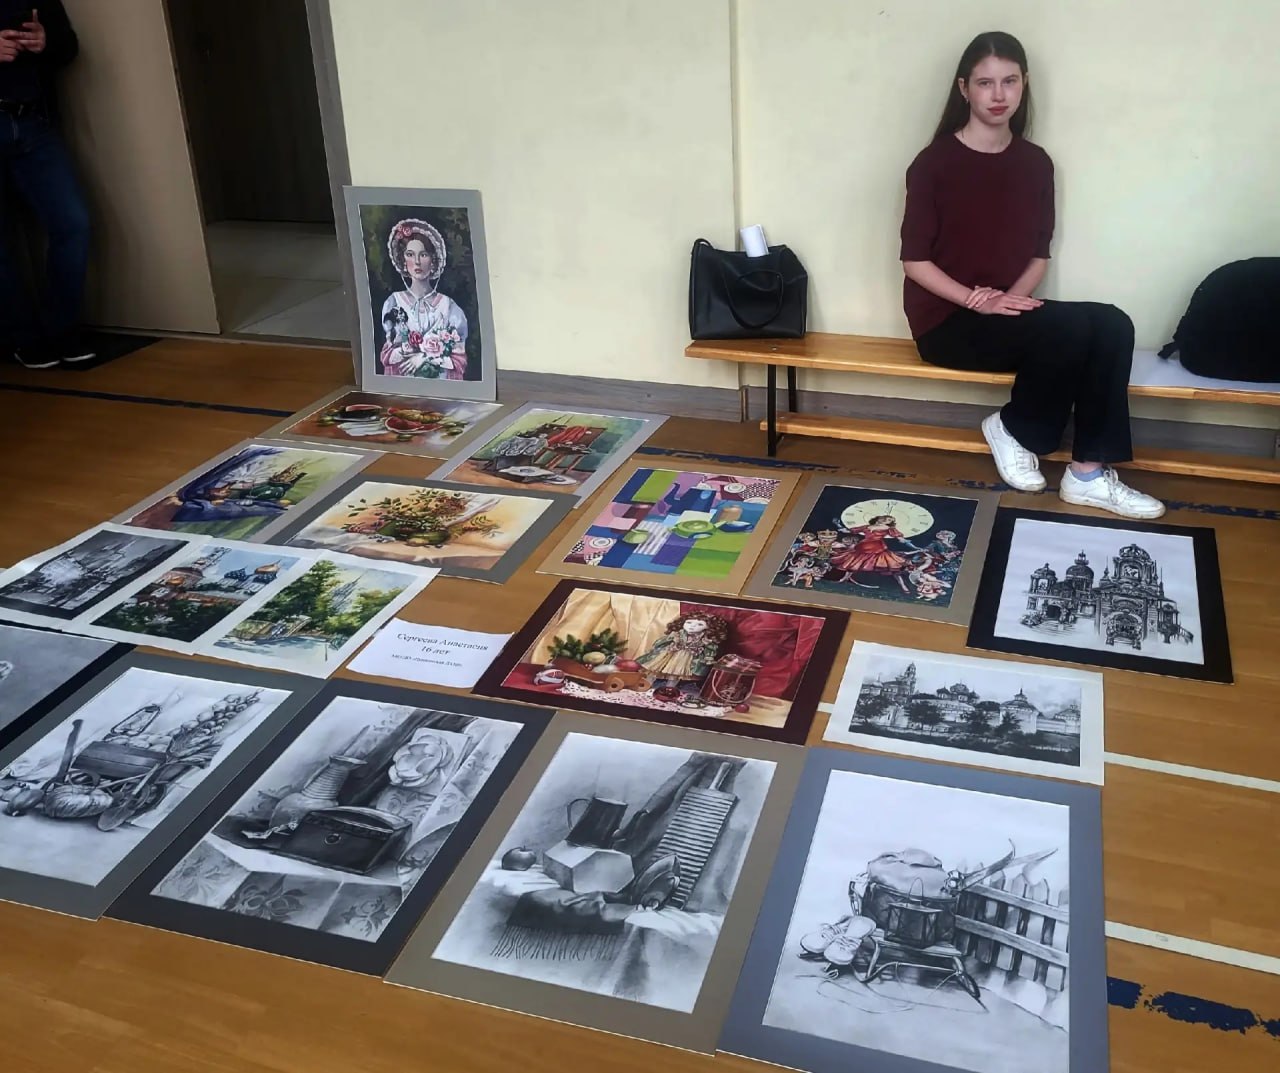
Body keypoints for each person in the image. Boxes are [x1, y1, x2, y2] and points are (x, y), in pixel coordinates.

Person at [900, 31, 1164, 519]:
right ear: (964, 89)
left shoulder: (1036, 163)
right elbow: (915, 262)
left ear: (1024, 84)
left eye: (1010, 81)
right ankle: (1015, 428)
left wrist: (1010, 304)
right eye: (985, 83)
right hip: (946, 323)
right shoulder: (933, 164)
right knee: (1069, 329)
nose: (998, 95)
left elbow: (1039, 255)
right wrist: (980, 302)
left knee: (1111, 322)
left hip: (1005, 313)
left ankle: (1087, 474)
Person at [0, 2, 94, 368]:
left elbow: (67, 46)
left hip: (33, 122)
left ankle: (62, 329)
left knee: (72, 224)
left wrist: (47, 41)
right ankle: (22, 337)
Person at [378, 218, 469, 380]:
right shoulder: (394, 302)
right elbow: (387, 356)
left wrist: (425, 357)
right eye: (410, 255)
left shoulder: (449, 307)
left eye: (424, 254)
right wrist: (405, 350)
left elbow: (459, 360)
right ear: (404, 261)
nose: (417, 262)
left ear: (433, 261)